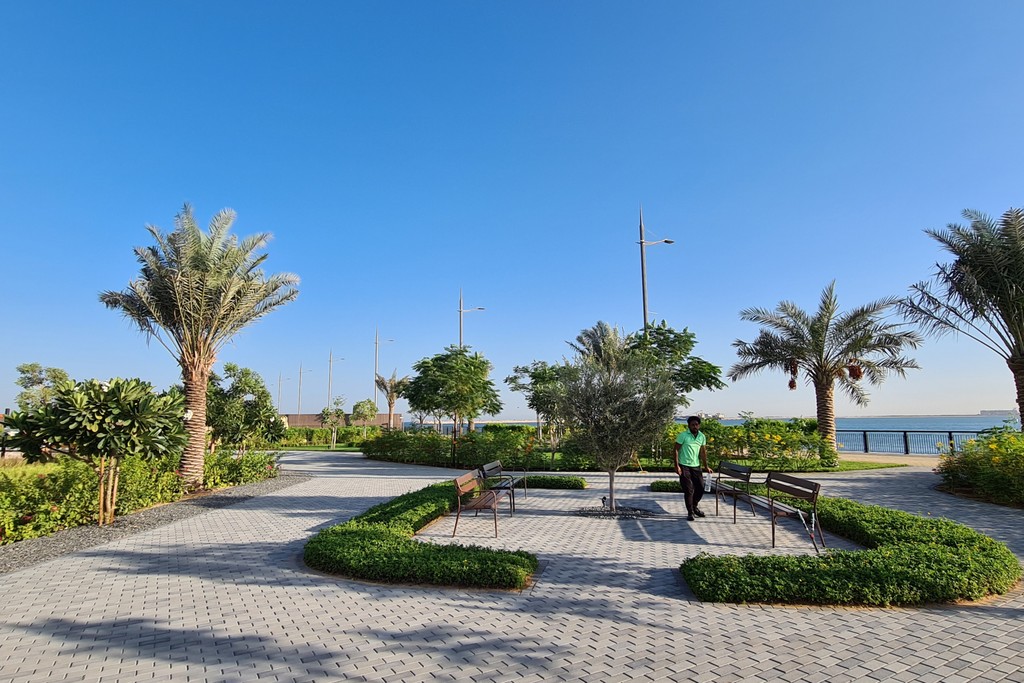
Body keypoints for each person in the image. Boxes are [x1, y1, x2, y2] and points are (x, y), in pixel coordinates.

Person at [674, 415, 712, 521]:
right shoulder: (683, 435)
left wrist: (706, 467)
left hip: (696, 466)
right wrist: (677, 466)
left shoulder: (702, 436)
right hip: (684, 465)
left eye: (696, 424)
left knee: (700, 488)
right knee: (689, 490)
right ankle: (690, 512)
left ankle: (694, 507)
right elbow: (676, 450)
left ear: (699, 425)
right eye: (692, 425)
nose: (695, 426)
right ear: (689, 425)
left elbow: (703, 452)